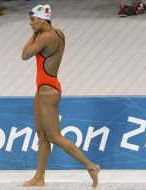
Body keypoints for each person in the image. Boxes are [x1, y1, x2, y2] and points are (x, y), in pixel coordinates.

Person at [21, 4, 100, 188]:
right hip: (43, 88)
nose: (30, 24)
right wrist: (37, 31)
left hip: (48, 90)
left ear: (41, 19)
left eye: (33, 20)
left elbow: (24, 54)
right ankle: (39, 178)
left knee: (55, 136)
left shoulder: (45, 37)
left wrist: (35, 34)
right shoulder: (58, 32)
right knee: (41, 135)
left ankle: (91, 166)